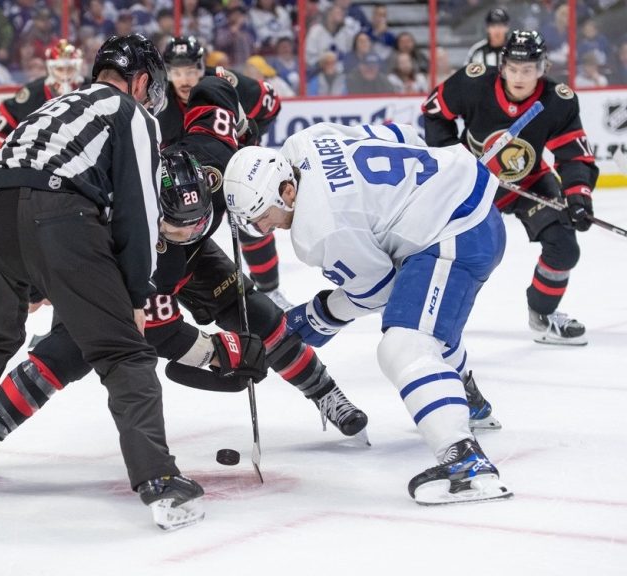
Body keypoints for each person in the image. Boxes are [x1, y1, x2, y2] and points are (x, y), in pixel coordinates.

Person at [0, 77, 369, 483]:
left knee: (260, 315)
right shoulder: (128, 236)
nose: (187, 233)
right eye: (174, 229)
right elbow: (160, 331)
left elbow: (217, 89)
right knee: (67, 352)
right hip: (122, 272)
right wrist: (214, 351)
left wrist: (244, 128)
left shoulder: (214, 157)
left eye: (197, 224)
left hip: (194, 262)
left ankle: (328, 394)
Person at [0, 33, 205, 532]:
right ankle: (159, 482)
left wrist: (31, 278)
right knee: (123, 351)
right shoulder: (132, 113)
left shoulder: (58, 104)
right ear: (139, 80)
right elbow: (137, 211)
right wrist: (135, 293)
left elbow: (12, 178)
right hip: (53, 214)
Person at [223, 121, 512, 505]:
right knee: (418, 316)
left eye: (262, 215)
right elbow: (402, 134)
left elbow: (379, 291)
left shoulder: (319, 229)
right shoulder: (306, 142)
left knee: (404, 345)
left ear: (287, 190)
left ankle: (466, 463)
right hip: (460, 201)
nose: (260, 228)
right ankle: (465, 398)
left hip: (455, 232)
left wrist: (317, 315)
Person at [423, 30, 599, 345]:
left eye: (528, 70)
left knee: (565, 247)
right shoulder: (473, 83)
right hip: (472, 184)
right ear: (503, 67)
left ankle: (542, 316)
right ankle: (425, 319)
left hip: (528, 181)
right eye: (514, 69)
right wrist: (451, 156)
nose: (520, 77)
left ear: (542, 68)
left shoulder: (558, 101)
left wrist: (578, 196)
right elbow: (435, 113)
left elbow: (573, 155)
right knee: (445, 254)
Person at [158, 35, 290, 308]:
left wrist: (248, 139)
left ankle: (271, 289)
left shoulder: (222, 83)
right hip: (187, 184)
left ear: (201, 65)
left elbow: (272, 103)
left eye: (191, 70)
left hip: (233, 166)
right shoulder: (157, 100)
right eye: (176, 71)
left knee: (254, 220)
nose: (184, 79)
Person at [0, 39, 84, 153]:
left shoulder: (90, 88)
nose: (65, 75)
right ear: (50, 68)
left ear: (77, 67)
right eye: (60, 69)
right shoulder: (33, 92)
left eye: (70, 69)